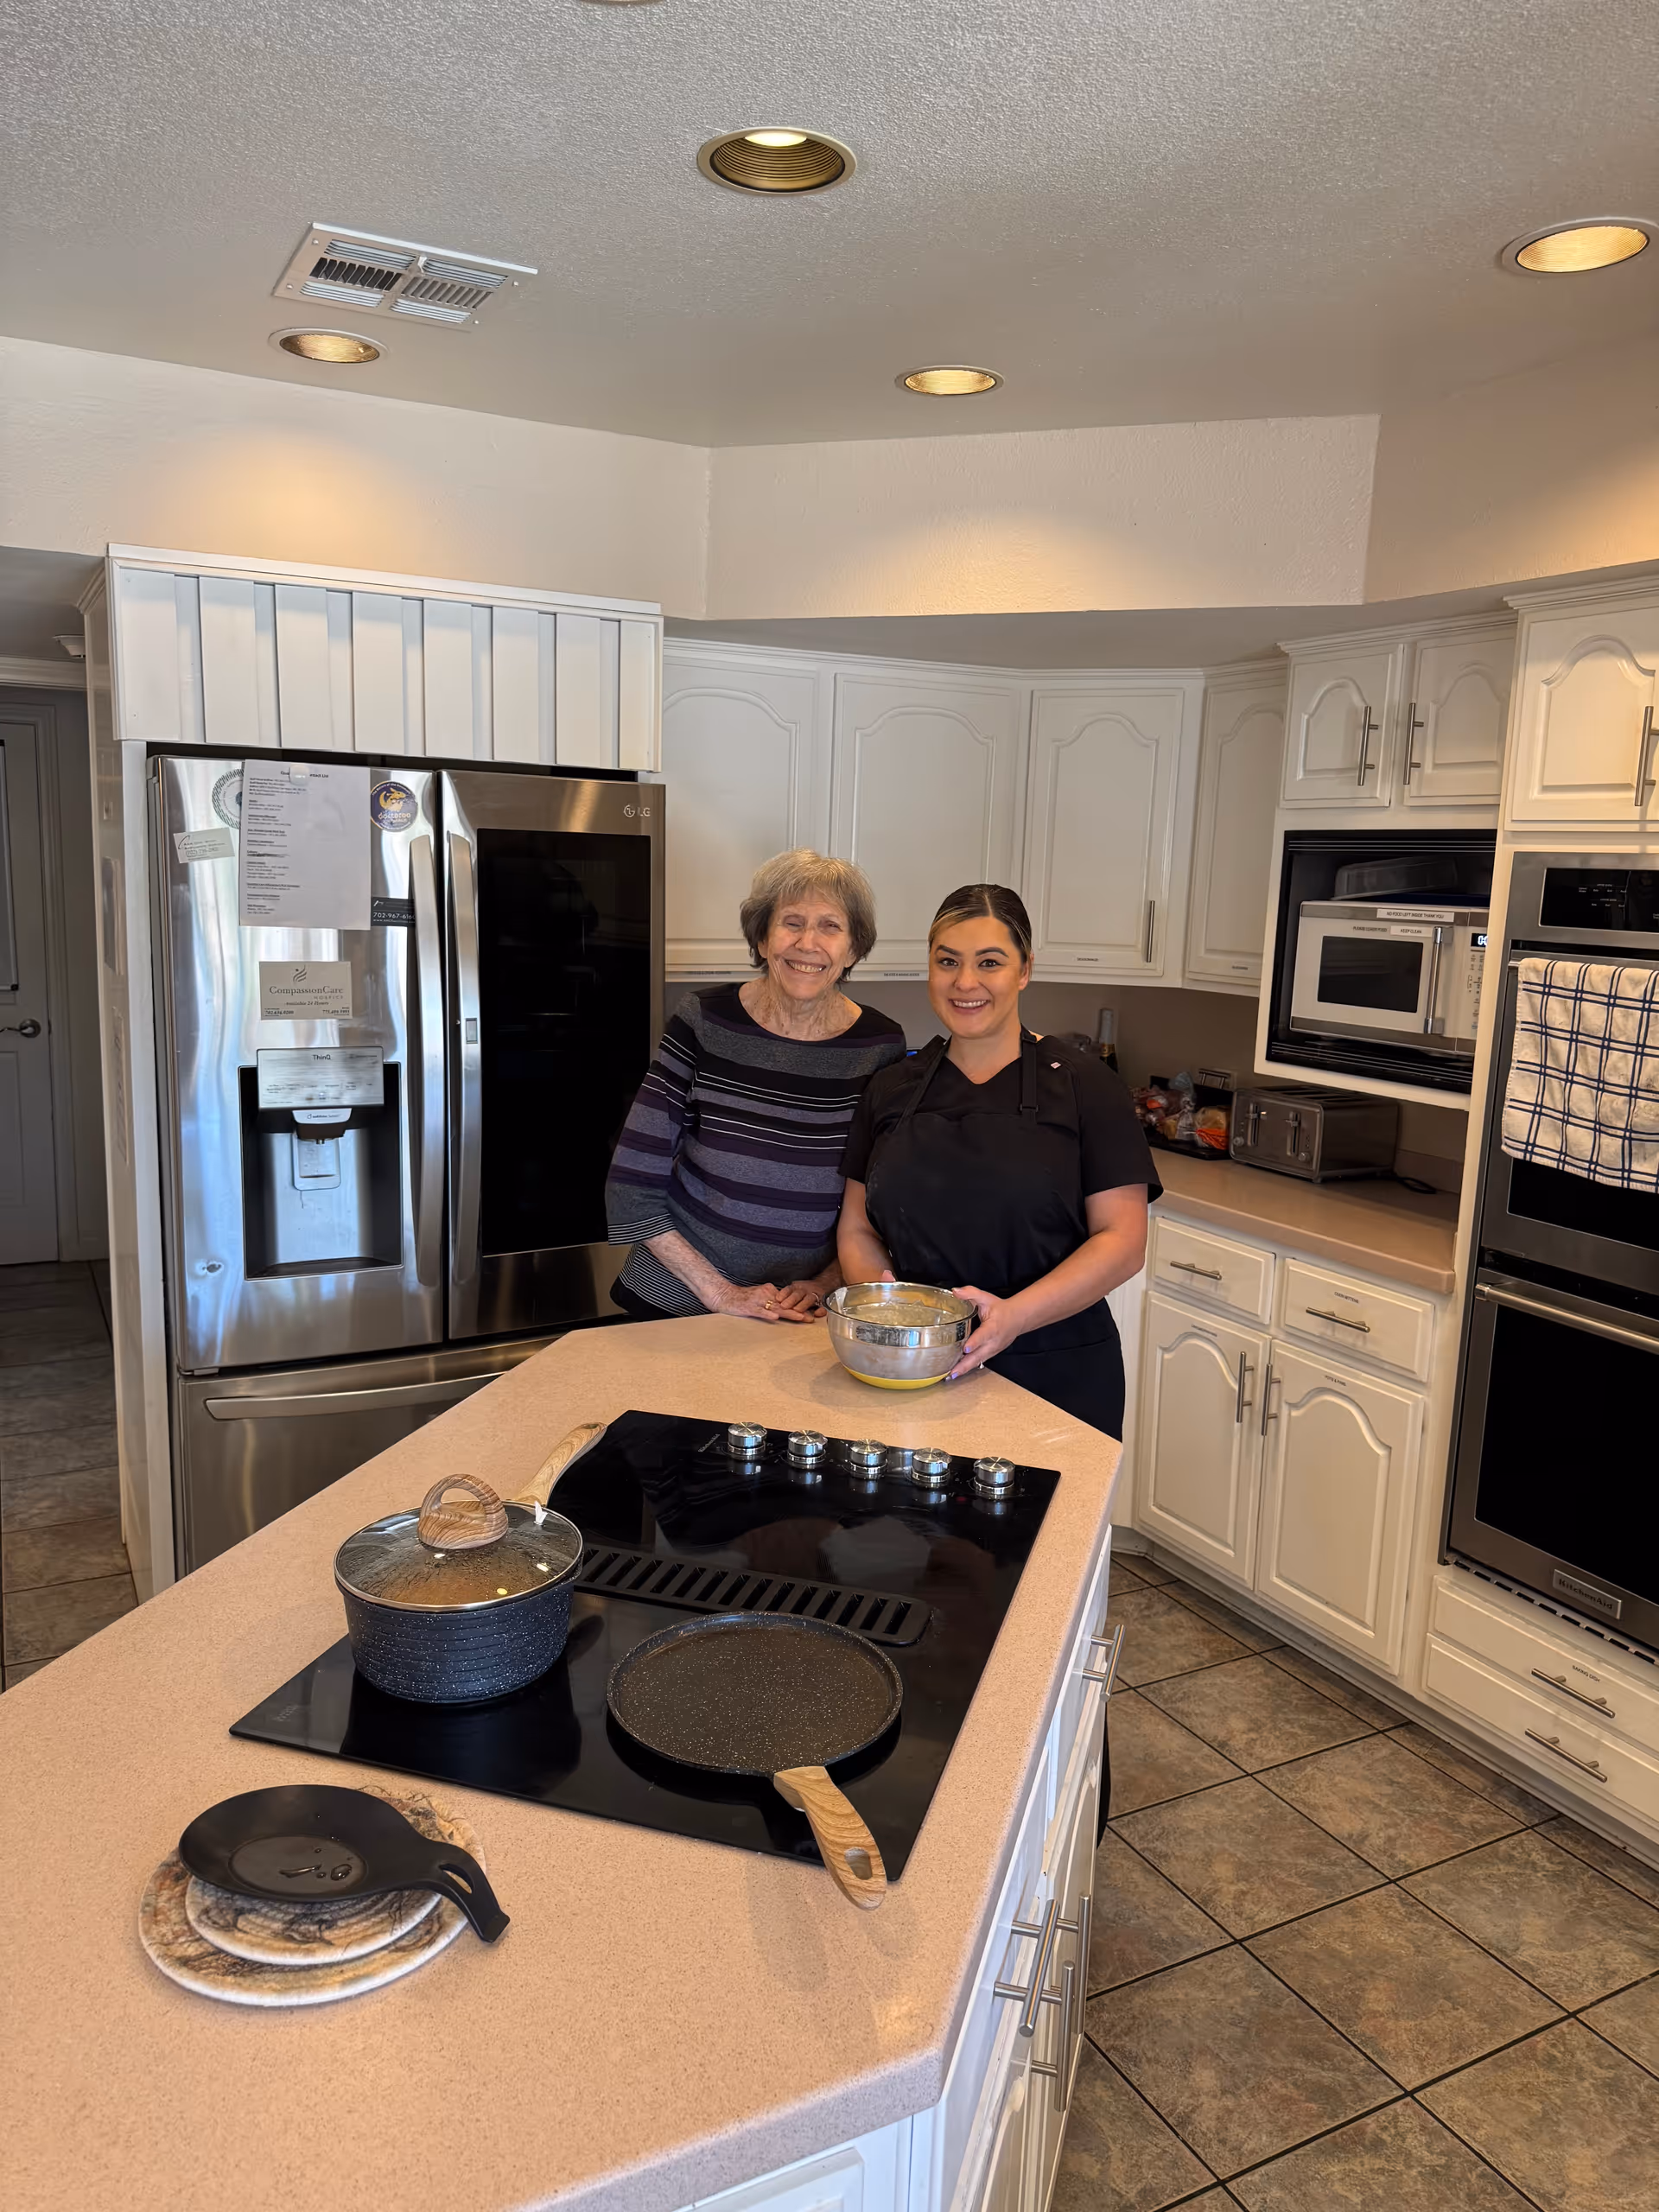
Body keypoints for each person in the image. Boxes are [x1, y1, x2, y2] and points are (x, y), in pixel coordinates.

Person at [837, 883, 1160, 1433]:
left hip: (1056, 1371)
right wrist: (895, 1322)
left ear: (1024, 970)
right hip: (916, 1373)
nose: (966, 983)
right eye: (948, 962)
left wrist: (1012, 1317)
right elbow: (858, 1226)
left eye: (990, 962)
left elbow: (1123, 1242)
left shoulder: (1087, 1087)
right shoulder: (892, 1087)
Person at [606, 850, 906, 1322]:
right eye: (791, 922)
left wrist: (829, 1282)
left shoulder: (880, 1045)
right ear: (763, 938)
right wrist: (720, 1293)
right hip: (679, 1299)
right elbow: (630, 1184)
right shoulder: (704, 1020)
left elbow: (877, 1198)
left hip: (799, 1311)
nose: (808, 943)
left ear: (852, 949)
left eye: (830, 926)